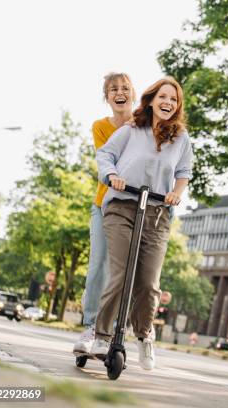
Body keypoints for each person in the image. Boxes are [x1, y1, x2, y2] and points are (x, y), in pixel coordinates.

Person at [91, 77, 193, 371]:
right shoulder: (132, 129)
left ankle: (145, 335)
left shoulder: (181, 138)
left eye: (173, 100)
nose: (168, 103)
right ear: (151, 100)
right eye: (163, 97)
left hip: (157, 213)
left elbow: (184, 172)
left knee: (149, 284)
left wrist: (176, 193)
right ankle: (101, 334)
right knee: (121, 275)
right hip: (123, 205)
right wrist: (112, 176)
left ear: (177, 106)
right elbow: (105, 154)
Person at [73, 72, 136, 354]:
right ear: (107, 97)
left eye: (124, 88)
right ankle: (90, 325)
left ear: (133, 93)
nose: (119, 92)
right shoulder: (101, 126)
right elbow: (107, 159)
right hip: (105, 204)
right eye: (113, 89)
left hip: (134, 206)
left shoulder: (145, 124)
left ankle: (109, 329)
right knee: (98, 265)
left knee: (119, 271)